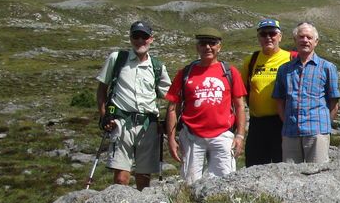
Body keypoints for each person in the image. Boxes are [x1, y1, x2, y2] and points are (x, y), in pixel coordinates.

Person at [95, 20, 171, 190]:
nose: (139, 41)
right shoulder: (117, 59)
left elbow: (171, 96)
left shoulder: (157, 66)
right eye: (135, 36)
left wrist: (169, 120)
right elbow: (102, 90)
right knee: (121, 178)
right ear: (130, 38)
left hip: (148, 125)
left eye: (144, 37)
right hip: (121, 123)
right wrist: (104, 115)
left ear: (151, 39)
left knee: (144, 178)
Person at [165, 27, 247, 184]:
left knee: (225, 183)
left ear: (219, 46)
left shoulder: (230, 72)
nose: (208, 47)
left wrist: (240, 135)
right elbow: (172, 108)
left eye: (212, 43)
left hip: (223, 135)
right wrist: (171, 138)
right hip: (191, 136)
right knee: (190, 183)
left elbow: (239, 106)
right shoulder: (185, 73)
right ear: (197, 47)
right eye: (203, 43)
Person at [272, 22, 340, 163]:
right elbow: (279, 101)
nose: (305, 40)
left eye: (309, 37)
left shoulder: (327, 68)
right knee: (289, 176)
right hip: (290, 133)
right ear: (295, 40)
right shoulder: (284, 69)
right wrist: (287, 121)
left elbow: (334, 103)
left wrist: (324, 124)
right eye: (301, 36)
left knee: (318, 175)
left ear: (316, 42)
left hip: (317, 132)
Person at [244, 18, 292, 166]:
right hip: (257, 123)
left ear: (280, 36)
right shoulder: (251, 60)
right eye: (263, 34)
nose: (268, 37)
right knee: (253, 165)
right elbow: (243, 89)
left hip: (282, 121)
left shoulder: (290, 58)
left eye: (272, 33)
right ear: (258, 37)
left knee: (282, 165)